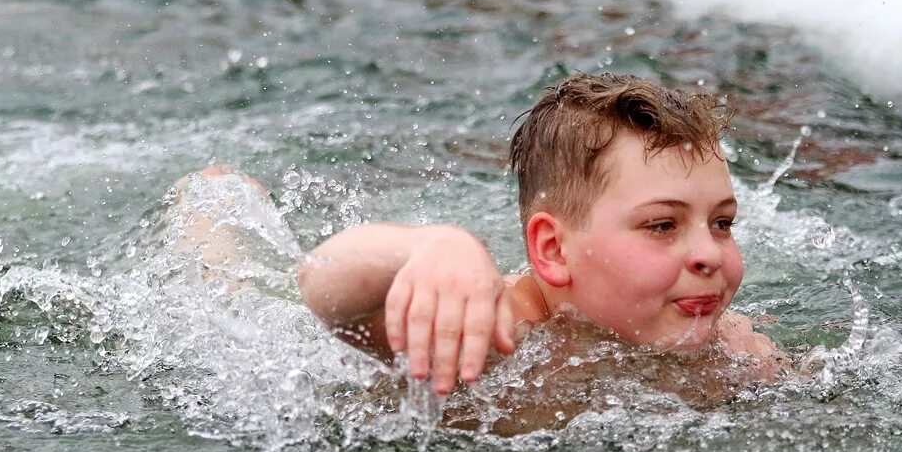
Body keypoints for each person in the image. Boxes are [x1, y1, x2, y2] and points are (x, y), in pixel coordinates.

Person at [296, 72, 786, 397]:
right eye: (662, 225)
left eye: (721, 223)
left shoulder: (734, 351)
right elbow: (320, 286)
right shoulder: (497, 334)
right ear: (553, 250)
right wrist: (435, 245)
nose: (709, 255)